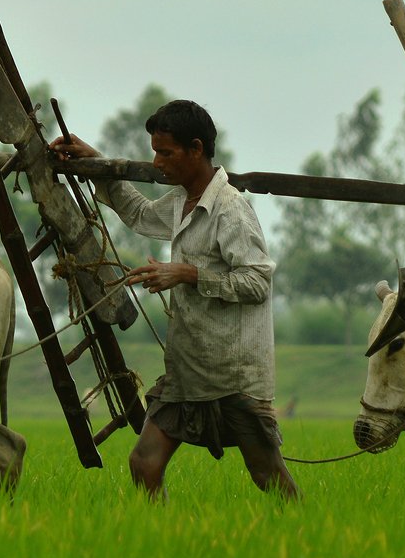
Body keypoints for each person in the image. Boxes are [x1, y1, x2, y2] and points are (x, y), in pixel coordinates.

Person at [52, 99, 299, 501]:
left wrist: (186, 274)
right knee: (144, 464)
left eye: (166, 153)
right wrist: (95, 161)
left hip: (233, 376)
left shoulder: (230, 210)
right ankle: (162, 535)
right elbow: (139, 214)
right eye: (155, 152)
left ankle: (304, 528)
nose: (158, 163)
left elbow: (257, 282)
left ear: (196, 149)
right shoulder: (181, 201)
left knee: (266, 473)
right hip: (188, 368)